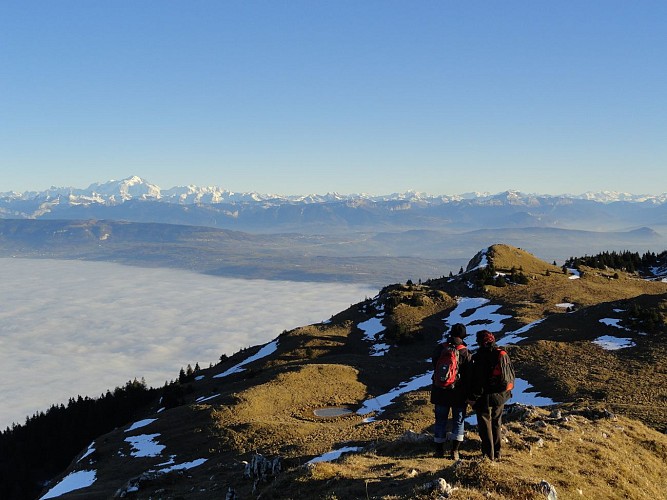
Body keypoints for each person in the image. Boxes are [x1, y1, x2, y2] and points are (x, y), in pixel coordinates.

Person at [466, 330, 513, 461]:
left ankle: (488, 455)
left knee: (485, 425)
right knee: (497, 423)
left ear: (480, 342)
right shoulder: (500, 353)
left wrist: (473, 397)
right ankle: (497, 453)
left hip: (484, 397)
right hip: (500, 396)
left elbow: (478, 382)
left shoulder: (479, 357)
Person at [430, 323, 472, 460]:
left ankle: (439, 451)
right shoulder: (465, 352)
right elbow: (468, 374)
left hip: (440, 391)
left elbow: (434, 365)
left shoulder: (440, 348)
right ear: (463, 336)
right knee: (458, 421)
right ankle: (454, 451)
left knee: (440, 421)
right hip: (458, 394)